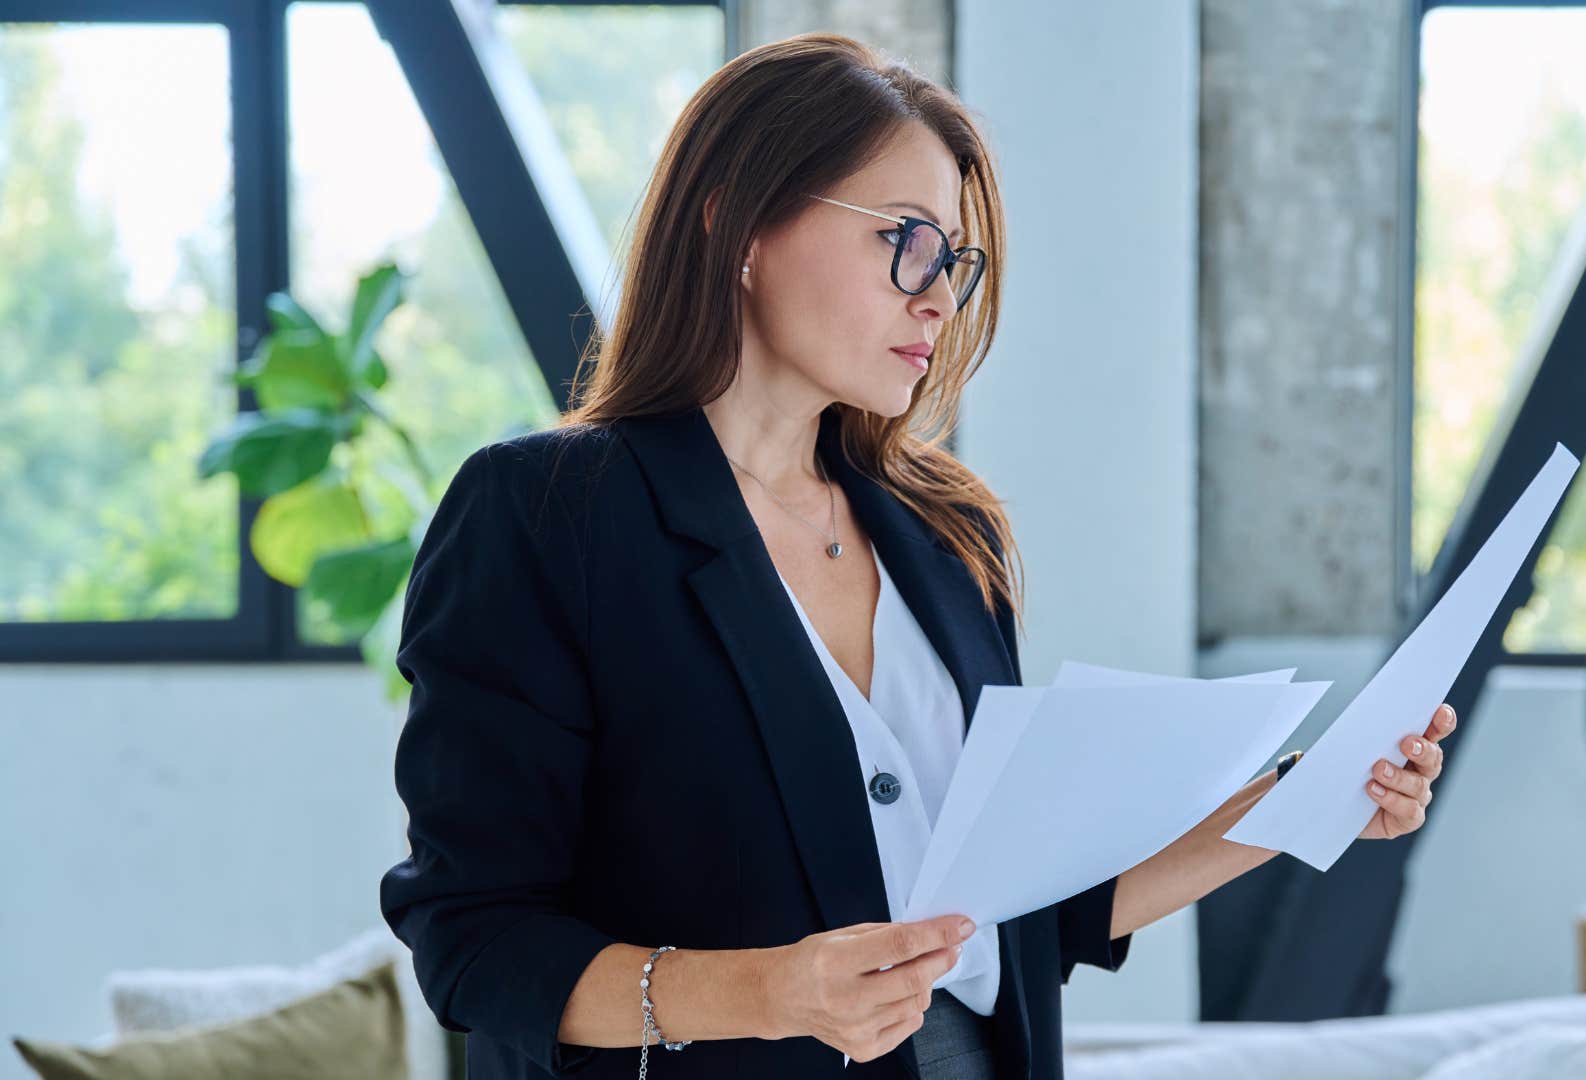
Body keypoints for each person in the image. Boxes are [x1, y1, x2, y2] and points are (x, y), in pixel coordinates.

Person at [377, 31, 1453, 1080]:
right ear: (737, 221)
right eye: (907, 239)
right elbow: (477, 941)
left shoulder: (945, 534)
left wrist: (1310, 797)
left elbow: (1022, 917)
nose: (938, 295)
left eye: (955, 262)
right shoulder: (547, 514)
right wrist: (772, 992)